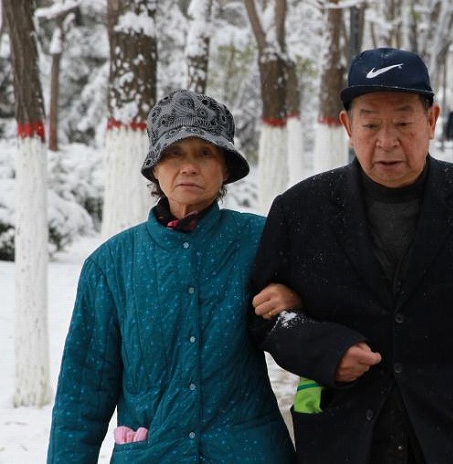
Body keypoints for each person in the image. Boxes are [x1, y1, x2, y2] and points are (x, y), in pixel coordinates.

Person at [250, 47, 453, 463]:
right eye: (370, 123)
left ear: (431, 120)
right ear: (347, 126)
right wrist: (325, 350)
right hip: (346, 440)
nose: (387, 141)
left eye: (404, 122)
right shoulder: (301, 209)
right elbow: (262, 319)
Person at [48, 90, 295, 463]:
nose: (189, 167)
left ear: (225, 168)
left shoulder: (259, 241)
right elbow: (83, 391)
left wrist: (297, 298)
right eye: (174, 153)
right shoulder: (112, 264)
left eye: (205, 153)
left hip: (248, 452)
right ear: (154, 167)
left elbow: (334, 299)